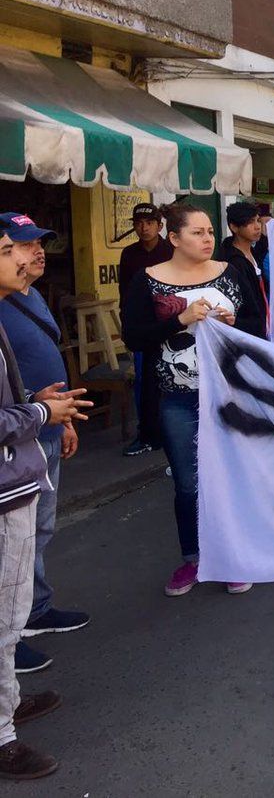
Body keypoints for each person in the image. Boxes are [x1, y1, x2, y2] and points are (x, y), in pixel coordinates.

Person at [121, 204, 252, 598]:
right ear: (174, 238)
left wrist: (233, 325)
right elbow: (135, 338)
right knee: (187, 484)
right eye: (197, 232)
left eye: (210, 231)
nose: (208, 238)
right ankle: (193, 559)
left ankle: (232, 555)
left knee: (232, 477)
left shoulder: (230, 273)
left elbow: (259, 326)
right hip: (178, 398)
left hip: (231, 395)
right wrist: (179, 321)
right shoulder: (148, 281)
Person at [0, 225, 90, 781]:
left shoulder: (14, 306)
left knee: (9, 615)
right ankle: (3, 736)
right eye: (7, 249)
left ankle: (6, 704)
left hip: (16, 480)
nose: (23, 257)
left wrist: (35, 403)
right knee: (4, 615)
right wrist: (38, 416)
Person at [117, 203, 173, 458]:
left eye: (149, 222)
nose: (144, 227)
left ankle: (174, 433)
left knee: (174, 380)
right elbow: (125, 294)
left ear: (159, 226)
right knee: (144, 382)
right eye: (139, 223)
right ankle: (147, 434)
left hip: (173, 323)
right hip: (143, 326)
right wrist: (127, 327)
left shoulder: (172, 250)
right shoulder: (129, 254)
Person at [214, 202, 269, 340]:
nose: (257, 226)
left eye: (258, 220)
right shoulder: (232, 262)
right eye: (250, 222)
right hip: (245, 333)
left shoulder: (255, 252)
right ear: (234, 227)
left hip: (263, 325)